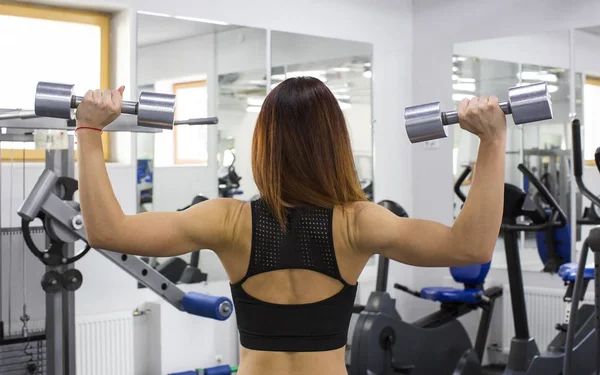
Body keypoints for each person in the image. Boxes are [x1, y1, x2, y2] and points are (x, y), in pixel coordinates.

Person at [74, 77, 506, 375]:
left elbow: (108, 232)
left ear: (265, 144)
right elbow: (470, 248)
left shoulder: (228, 220)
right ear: (335, 144)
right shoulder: (358, 223)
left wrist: (90, 129)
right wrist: (492, 140)